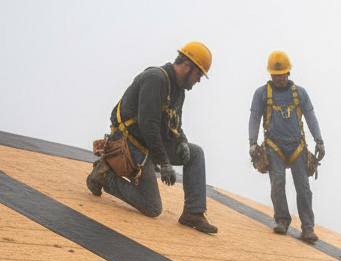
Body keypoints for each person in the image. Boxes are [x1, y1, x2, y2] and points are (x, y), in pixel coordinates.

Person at [87, 42, 218, 234]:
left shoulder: (178, 90)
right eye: (199, 74)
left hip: (149, 144)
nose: (198, 80)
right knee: (152, 206)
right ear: (188, 66)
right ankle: (104, 176)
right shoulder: (155, 79)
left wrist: (182, 141)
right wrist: (164, 163)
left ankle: (193, 213)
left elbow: (175, 124)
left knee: (195, 153)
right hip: (131, 141)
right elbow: (149, 126)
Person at [248, 51, 324, 244]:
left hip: (297, 146)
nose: (279, 78)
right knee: (278, 183)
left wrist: (319, 140)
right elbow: (255, 118)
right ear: (270, 75)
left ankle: (308, 228)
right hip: (274, 146)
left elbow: (310, 117)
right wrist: (252, 142)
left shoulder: (300, 93)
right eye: (275, 75)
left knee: (304, 188)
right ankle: (282, 220)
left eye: (282, 75)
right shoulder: (262, 93)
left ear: (289, 73)